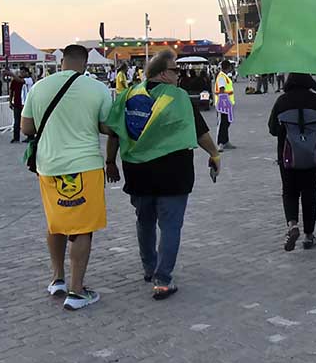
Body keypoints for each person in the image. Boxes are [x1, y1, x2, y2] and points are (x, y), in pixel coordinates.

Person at [105, 49, 221, 299]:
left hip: (137, 172)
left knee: (144, 221)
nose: (179, 76)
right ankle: (163, 279)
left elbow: (114, 131)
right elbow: (200, 134)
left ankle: (149, 267)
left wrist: (110, 162)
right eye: (175, 71)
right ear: (162, 73)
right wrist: (215, 154)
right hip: (173, 172)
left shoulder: (128, 95)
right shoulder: (178, 98)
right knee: (170, 225)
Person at [21, 45, 113, 310]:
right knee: (83, 227)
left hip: (49, 165)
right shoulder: (96, 89)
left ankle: (57, 278)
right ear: (85, 63)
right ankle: (77, 291)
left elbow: (26, 127)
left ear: (62, 61)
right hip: (84, 165)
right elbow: (108, 127)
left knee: (56, 223)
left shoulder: (40, 87)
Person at [268, 73, 316, 250]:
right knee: (310, 193)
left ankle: (292, 225)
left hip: (288, 156)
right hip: (314, 156)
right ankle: (308, 235)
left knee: (289, 191)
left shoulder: (282, 101)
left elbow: (273, 129)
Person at [214, 60, 235, 151]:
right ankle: (220, 143)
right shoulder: (222, 77)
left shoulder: (225, 76)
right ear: (228, 67)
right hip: (223, 104)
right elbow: (222, 90)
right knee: (222, 123)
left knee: (226, 123)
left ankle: (226, 141)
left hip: (227, 104)